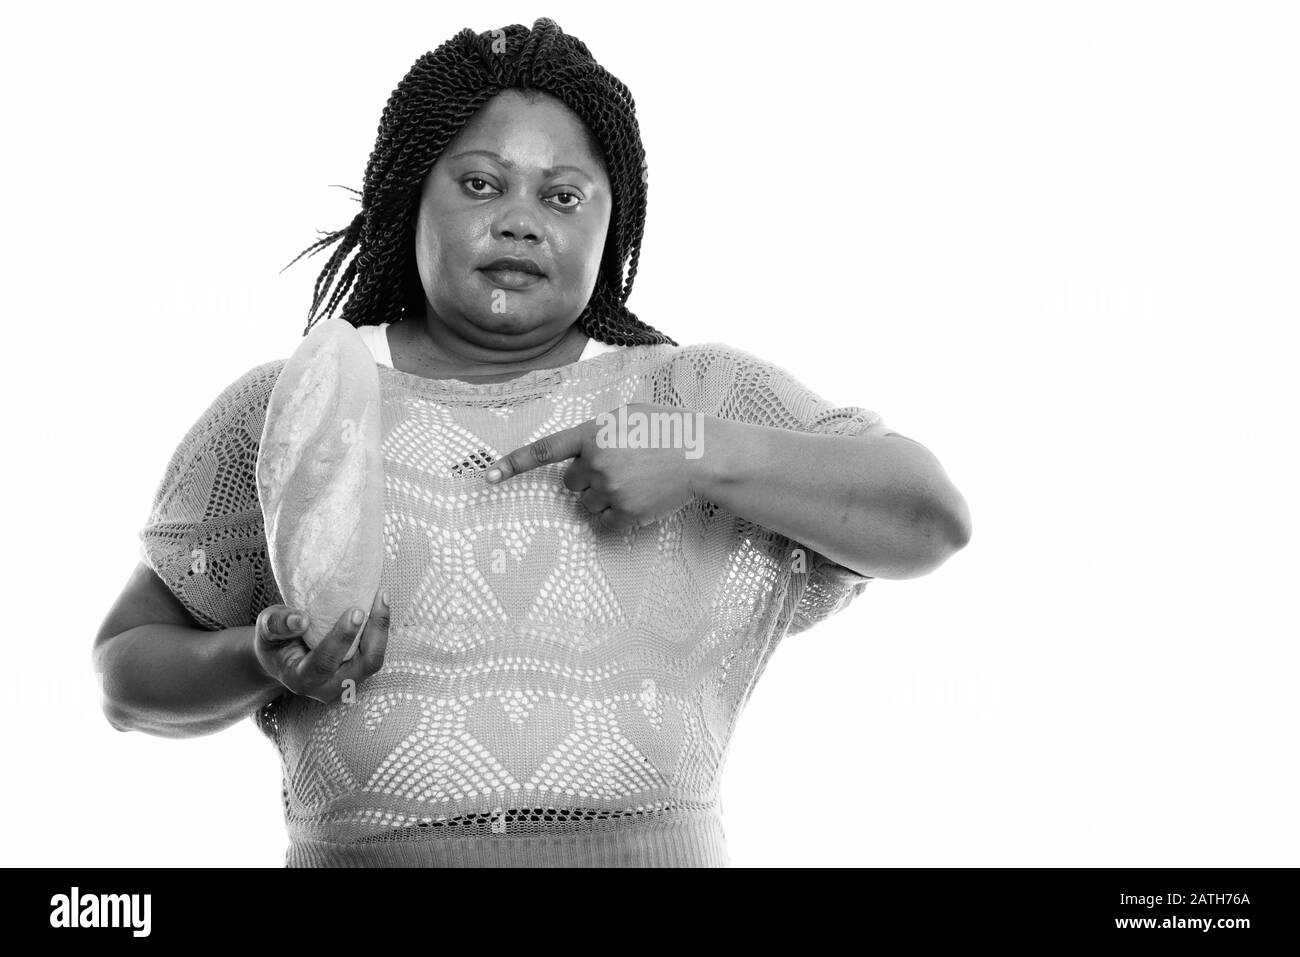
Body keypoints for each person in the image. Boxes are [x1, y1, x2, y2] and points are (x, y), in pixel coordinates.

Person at [93, 18, 971, 867]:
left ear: (611, 223)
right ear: (410, 195)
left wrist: (695, 447)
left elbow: (930, 516)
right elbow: (126, 676)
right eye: (481, 184)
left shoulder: (684, 394)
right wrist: (255, 658)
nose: (520, 220)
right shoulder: (299, 403)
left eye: (562, 195)